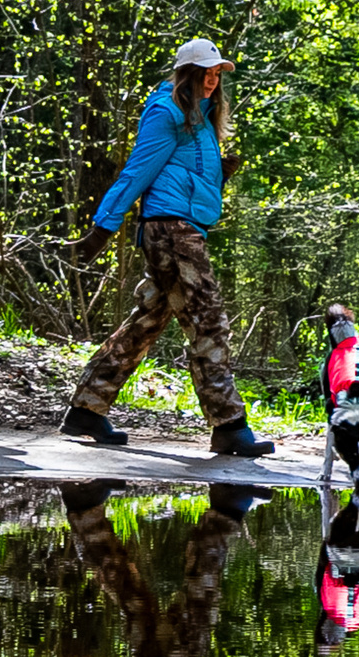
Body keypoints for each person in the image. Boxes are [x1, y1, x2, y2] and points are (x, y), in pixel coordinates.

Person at [61, 38, 276, 458]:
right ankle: (229, 426)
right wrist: (103, 228)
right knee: (208, 322)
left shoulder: (202, 116)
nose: (212, 81)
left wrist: (218, 174)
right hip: (172, 231)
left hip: (181, 226)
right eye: (205, 73)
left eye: (216, 74)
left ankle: (86, 408)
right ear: (186, 74)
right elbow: (138, 171)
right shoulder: (167, 112)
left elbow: (181, 173)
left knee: (148, 321)